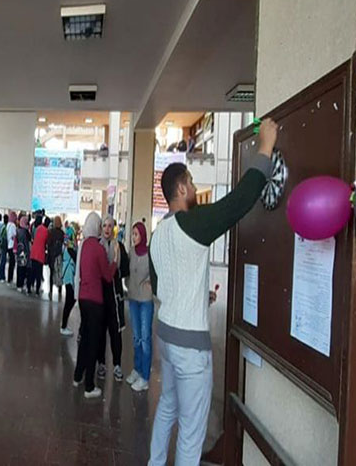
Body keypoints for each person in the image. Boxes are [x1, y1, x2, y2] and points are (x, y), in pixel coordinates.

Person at [147, 118, 277, 466]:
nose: (192, 187)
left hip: (167, 336)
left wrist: (197, 296)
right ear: (181, 189)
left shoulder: (159, 234)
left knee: (167, 408)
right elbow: (238, 202)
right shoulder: (195, 223)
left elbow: (162, 286)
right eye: (190, 182)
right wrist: (265, 149)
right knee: (191, 432)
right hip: (190, 346)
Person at [72, 212, 118, 399]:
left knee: (84, 339)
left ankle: (77, 376)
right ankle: (89, 386)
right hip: (95, 301)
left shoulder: (83, 246)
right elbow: (107, 276)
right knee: (93, 343)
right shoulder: (98, 248)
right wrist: (114, 261)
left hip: (83, 298)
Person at [97, 215, 129, 383]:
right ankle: (101, 363)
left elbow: (124, 270)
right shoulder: (98, 246)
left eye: (110, 226)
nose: (107, 229)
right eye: (105, 226)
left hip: (115, 297)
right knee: (101, 332)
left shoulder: (120, 247)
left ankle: (117, 364)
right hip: (100, 296)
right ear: (101, 228)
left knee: (116, 333)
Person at [124, 221, 153, 392]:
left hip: (146, 300)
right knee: (136, 337)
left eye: (136, 234)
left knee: (145, 339)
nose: (133, 237)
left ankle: (145, 376)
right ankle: (137, 368)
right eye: (132, 234)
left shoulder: (150, 254)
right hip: (133, 298)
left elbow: (157, 273)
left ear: (142, 235)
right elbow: (127, 272)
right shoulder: (131, 253)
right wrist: (128, 284)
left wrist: (151, 283)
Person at [59, 229, 77, 336]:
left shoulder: (65, 246)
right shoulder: (70, 248)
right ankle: (64, 326)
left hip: (67, 275)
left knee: (70, 300)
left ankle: (64, 324)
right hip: (69, 275)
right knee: (70, 300)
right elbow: (76, 259)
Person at [28, 216, 48, 296]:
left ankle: (29, 288)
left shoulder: (37, 228)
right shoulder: (46, 231)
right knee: (38, 273)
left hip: (33, 251)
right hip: (40, 254)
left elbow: (33, 238)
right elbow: (46, 243)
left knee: (32, 271)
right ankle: (37, 291)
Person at [47, 216, 65, 301]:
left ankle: (50, 290)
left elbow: (48, 244)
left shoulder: (51, 232)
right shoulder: (62, 233)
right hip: (59, 256)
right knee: (59, 273)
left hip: (52, 256)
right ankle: (60, 291)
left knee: (51, 273)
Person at [15, 215, 31, 293]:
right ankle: (22, 284)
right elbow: (28, 243)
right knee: (23, 269)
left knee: (19, 268)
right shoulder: (25, 232)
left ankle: (18, 284)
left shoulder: (17, 230)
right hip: (25, 252)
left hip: (19, 251)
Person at [5, 210, 17, 285]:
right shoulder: (13, 225)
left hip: (8, 245)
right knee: (12, 263)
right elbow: (15, 235)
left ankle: (9, 278)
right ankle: (10, 278)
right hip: (12, 246)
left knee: (10, 263)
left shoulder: (8, 224)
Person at [0, 214, 9, 281]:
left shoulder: (3, 226)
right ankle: (1, 276)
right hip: (5, 244)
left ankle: (1, 276)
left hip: (2, 244)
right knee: (3, 261)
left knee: (2, 261)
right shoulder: (6, 227)